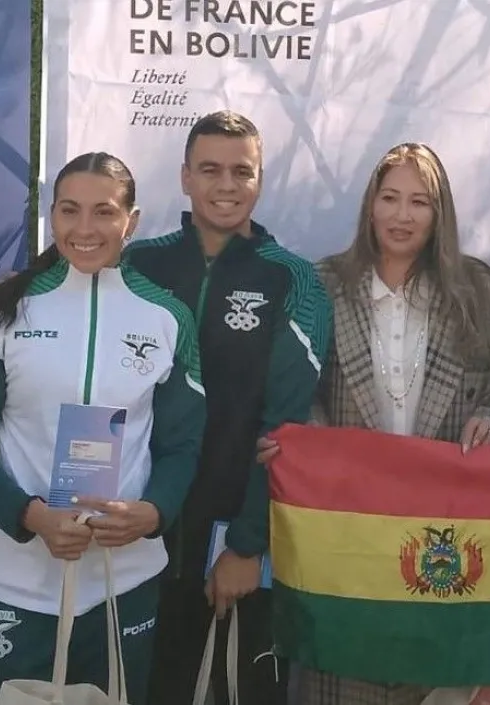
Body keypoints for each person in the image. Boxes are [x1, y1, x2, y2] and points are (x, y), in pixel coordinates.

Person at [0, 152, 206, 705]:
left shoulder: (167, 316)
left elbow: (182, 443)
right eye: (69, 211)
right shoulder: (2, 308)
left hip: (122, 579)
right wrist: (30, 515)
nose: (85, 229)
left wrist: (154, 512)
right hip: (17, 577)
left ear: (131, 221)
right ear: (51, 216)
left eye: (104, 212)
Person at [257, 142, 490, 705]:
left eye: (418, 202)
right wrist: (315, 443)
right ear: (369, 206)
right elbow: (296, 391)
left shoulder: (477, 288)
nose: (401, 215)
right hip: (346, 526)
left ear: (439, 213)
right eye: (389, 198)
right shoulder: (319, 284)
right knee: (341, 674)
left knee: (432, 675)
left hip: (444, 529)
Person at [123, 110, 332, 705]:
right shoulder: (138, 265)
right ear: (185, 177)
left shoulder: (294, 280)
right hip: (136, 537)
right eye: (210, 169)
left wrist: (247, 545)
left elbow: (287, 432)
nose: (226, 185)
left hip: (234, 546)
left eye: (242, 172)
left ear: (261, 182)